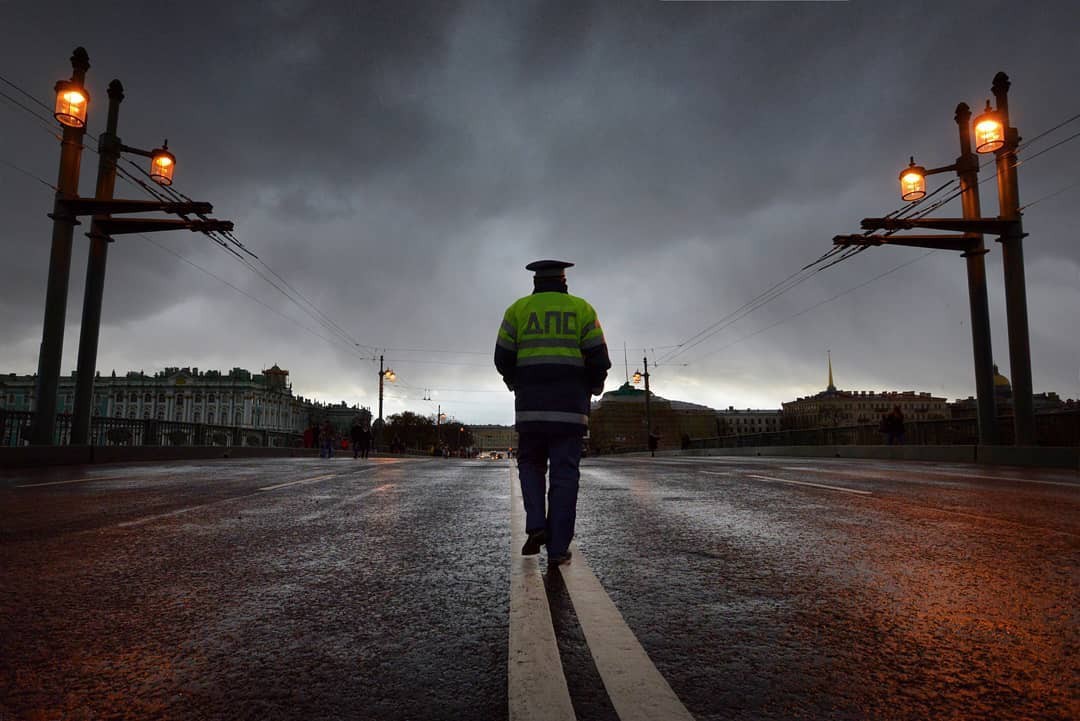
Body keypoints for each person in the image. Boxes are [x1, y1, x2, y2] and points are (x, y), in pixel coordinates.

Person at [495, 259, 611, 567]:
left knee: (531, 464)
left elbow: (502, 357)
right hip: (570, 410)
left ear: (535, 283)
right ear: (563, 282)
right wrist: (594, 386)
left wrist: (514, 382)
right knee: (565, 473)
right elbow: (599, 358)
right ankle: (558, 548)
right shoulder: (582, 310)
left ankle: (536, 526)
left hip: (530, 408)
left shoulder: (517, 310)